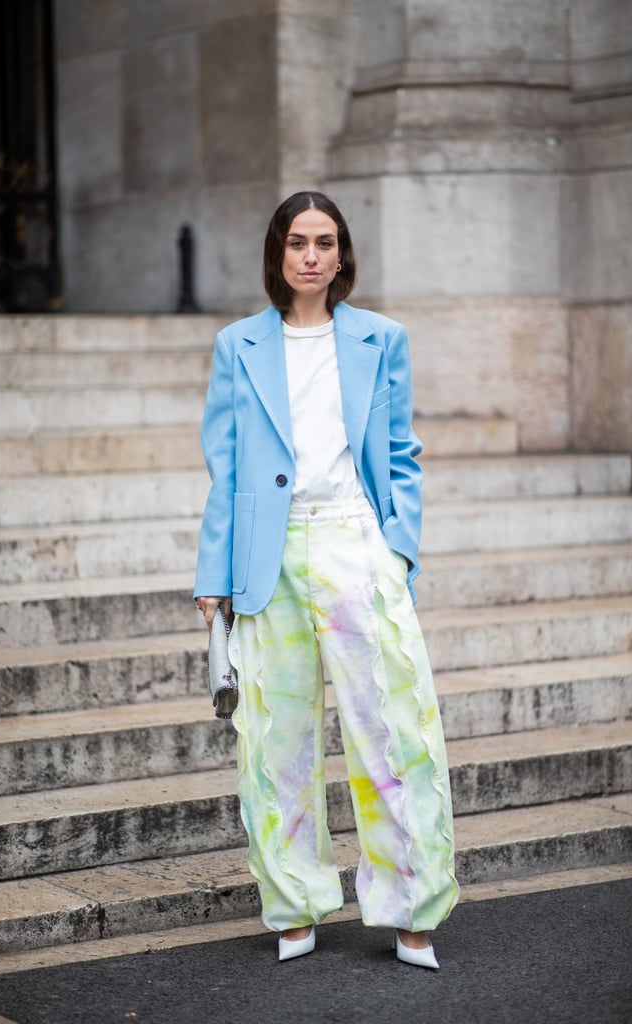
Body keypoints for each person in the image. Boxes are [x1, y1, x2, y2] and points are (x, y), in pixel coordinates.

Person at [194, 191, 458, 967]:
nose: (311, 254)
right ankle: (295, 902)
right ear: (277, 253)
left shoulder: (382, 338)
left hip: (353, 541)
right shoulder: (237, 345)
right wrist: (213, 577)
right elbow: (226, 470)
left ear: (343, 255)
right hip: (264, 558)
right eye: (297, 241)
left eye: (326, 241)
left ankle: (412, 905)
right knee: (275, 738)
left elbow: (401, 453)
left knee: (395, 728)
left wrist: (398, 550)